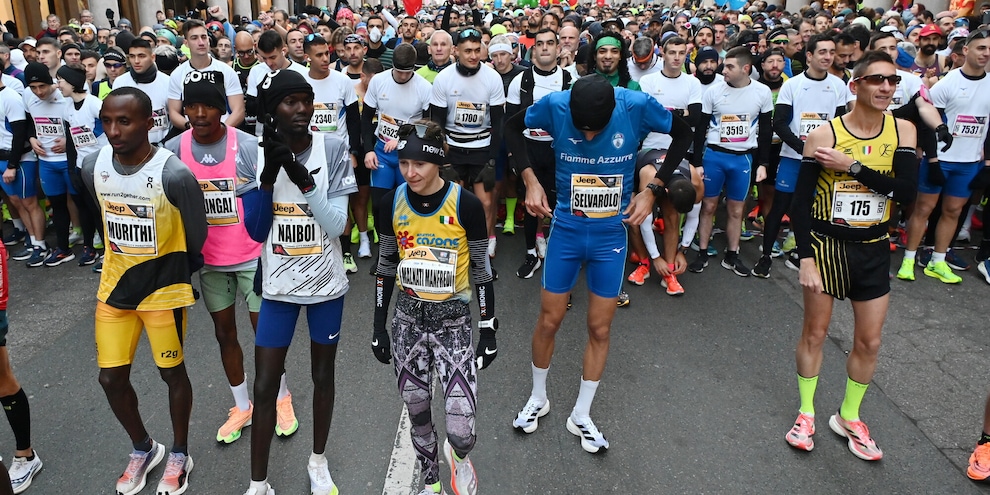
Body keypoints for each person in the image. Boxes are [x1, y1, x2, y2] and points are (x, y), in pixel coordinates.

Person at [505, 74, 692, 453]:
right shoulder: (555, 104)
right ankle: (538, 398)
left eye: (597, 130)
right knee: (549, 320)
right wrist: (530, 180)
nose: (589, 137)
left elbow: (685, 133)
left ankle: (581, 414)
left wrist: (653, 190)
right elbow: (510, 127)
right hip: (567, 229)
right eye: (582, 130)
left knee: (599, 328)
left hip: (610, 236)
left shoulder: (635, 105)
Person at [784, 50, 917, 461]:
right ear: (855, 85)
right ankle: (806, 412)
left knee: (870, 341)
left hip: (873, 247)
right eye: (877, 79)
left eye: (893, 80)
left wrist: (853, 167)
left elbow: (906, 193)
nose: (886, 87)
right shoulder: (824, 135)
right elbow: (800, 204)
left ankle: (848, 416)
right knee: (815, 333)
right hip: (826, 245)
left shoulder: (903, 131)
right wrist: (806, 257)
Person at [81, 87, 207, 495]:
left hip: (162, 294)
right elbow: (102, 215)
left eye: (124, 121)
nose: (114, 131)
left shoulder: (174, 173)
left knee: (172, 374)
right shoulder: (92, 164)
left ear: (149, 123)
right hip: (114, 290)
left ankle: (180, 453)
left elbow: (197, 236)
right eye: (106, 121)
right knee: (110, 379)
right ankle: (144, 448)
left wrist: (175, 271)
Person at [242, 69, 356, 495]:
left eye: (306, 100)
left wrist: (303, 178)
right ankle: (258, 483)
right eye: (291, 102)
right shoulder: (252, 153)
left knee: (322, 375)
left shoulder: (334, 147)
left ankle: (318, 461)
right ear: (273, 110)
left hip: (326, 285)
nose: (302, 109)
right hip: (278, 288)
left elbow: (339, 226)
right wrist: (268, 179)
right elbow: (256, 230)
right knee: (265, 384)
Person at [372, 120, 496, 495]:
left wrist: (488, 329)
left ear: (438, 162)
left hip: (453, 323)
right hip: (407, 322)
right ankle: (432, 482)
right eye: (404, 163)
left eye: (420, 164)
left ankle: (459, 457)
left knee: (462, 430)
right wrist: (378, 327)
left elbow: (482, 270)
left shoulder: (466, 204)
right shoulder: (390, 203)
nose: (410, 172)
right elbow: (385, 266)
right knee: (418, 413)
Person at [162, 72, 267, 445]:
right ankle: (242, 406)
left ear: (222, 109)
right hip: (210, 263)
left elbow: (268, 198)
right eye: (192, 106)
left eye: (208, 106)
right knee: (225, 335)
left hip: (252, 258)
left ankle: (280, 397)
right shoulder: (173, 150)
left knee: (265, 336)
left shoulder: (249, 145)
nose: (200, 113)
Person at [898, 30, 990, 284]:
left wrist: (987, 164)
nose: (986, 53)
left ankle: (938, 260)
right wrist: (933, 160)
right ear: (966, 51)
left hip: (969, 162)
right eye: (981, 48)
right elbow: (928, 123)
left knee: (953, 211)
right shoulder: (946, 84)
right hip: (940, 159)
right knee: (923, 209)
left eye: (989, 49)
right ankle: (909, 259)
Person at [753, 34, 848, 278]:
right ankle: (766, 256)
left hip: (824, 159)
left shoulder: (838, 86)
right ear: (809, 56)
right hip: (793, 158)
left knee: (815, 209)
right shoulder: (793, 85)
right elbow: (779, 122)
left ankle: (803, 253)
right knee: (780, 206)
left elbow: (840, 124)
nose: (828, 57)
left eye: (831, 52)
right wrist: (802, 148)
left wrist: (827, 151)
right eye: (822, 52)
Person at [688, 46, 773, 276]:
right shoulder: (713, 92)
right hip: (714, 156)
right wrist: (698, 162)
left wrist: (763, 164)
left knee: (736, 210)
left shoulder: (762, 92)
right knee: (708, 206)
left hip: (743, 158)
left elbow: (766, 130)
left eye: (729, 67)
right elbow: (700, 129)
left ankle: (732, 254)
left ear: (745, 69)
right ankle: (702, 251)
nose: (723, 70)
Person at [636, 35, 704, 295]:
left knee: (673, 211)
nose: (676, 57)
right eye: (671, 52)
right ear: (661, 54)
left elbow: (695, 119)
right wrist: (680, 114)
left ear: (686, 54)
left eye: (681, 52)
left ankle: (671, 269)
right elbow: (645, 117)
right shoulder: (648, 81)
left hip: (679, 152)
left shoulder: (693, 83)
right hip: (650, 150)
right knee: (640, 209)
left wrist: (684, 249)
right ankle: (647, 261)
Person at [429, 28, 505, 260]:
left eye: (477, 50)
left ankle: (483, 248)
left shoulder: (492, 77)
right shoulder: (444, 78)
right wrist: (444, 160)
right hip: (453, 147)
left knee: (486, 202)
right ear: (456, 51)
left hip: (481, 147)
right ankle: (458, 248)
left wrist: (492, 160)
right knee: (454, 202)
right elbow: (437, 122)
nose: (473, 56)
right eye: (468, 51)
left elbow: (499, 123)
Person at [505, 29, 572, 279]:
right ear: (533, 50)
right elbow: (509, 122)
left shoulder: (570, 80)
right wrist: (513, 156)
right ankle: (531, 252)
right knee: (531, 203)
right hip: (529, 147)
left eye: (550, 43)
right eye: (540, 43)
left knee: (558, 203)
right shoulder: (520, 81)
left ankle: (556, 253)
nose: (545, 47)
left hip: (558, 150)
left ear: (558, 49)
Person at [302, 34, 365, 273]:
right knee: (313, 203)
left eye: (326, 53)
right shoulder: (300, 81)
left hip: (340, 154)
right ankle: (316, 252)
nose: (325, 59)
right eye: (318, 55)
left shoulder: (342, 81)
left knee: (341, 205)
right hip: (310, 153)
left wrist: (354, 152)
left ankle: (346, 254)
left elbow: (354, 120)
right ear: (307, 57)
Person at [361, 43, 431, 239]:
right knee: (379, 204)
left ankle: (407, 245)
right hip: (382, 151)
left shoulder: (424, 87)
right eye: (399, 71)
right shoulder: (378, 81)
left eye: (407, 72)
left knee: (408, 204)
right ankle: (385, 246)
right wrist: (368, 150)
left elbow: (427, 126)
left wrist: (402, 137)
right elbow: (365, 119)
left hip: (408, 155)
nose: (402, 76)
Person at [23, 62, 79, 267]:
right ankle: (63, 249)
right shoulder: (28, 97)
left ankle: (92, 247)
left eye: (42, 86)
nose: (39, 92)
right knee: (57, 206)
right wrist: (31, 139)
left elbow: (79, 122)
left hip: (69, 160)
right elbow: (29, 122)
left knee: (82, 203)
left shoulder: (64, 96)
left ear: (51, 83)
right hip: (46, 162)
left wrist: (67, 141)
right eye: (33, 88)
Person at [59, 64, 106, 267]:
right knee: (84, 208)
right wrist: (72, 169)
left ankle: (108, 251)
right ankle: (89, 247)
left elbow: (109, 125)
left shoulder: (94, 104)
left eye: (60, 81)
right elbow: (71, 140)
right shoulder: (67, 107)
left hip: (100, 165)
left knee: (99, 210)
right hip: (80, 166)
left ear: (72, 83)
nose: (58, 85)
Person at [0, 72, 45, 266]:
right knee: (16, 201)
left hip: (20, 159)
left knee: (29, 202)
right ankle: (32, 240)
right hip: (2, 158)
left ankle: (40, 245)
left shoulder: (10, 97)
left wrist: (12, 165)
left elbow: (19, 134)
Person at [167, 20, 244, 130]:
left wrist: (220, 131)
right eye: (194, 38)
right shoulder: (177, 74)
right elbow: (174, 113)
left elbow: (238, 111)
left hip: (224, 131)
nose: (201, 42)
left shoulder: (226, 71)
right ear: (186, 43)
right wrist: (193, 129)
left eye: (203, 37)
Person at [112, 39, 171, 145]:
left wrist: (165, 143)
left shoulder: (168, 82)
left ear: (152, 57)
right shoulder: (120, 82)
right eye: (132, 56)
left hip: (162, 146)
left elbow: (175, 117)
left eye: (141, 56)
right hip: (130, 146)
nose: (136, 61)